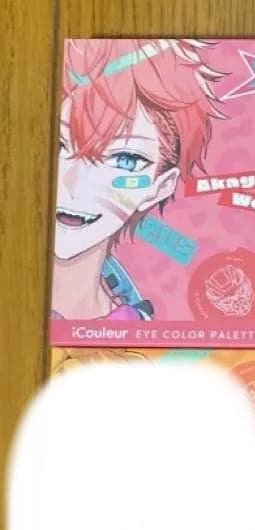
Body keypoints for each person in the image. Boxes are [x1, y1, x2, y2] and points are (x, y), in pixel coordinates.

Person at [53, 39, 225, 321]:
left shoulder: (138, 320)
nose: (75, 186)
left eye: (126, 160)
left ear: (159, 187)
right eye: (59, 145)